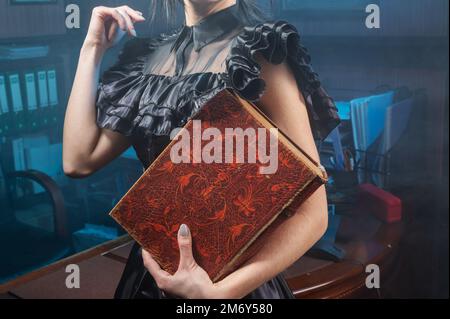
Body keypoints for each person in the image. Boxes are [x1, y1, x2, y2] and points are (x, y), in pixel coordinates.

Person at [63, 0, 341, 299]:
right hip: (150, 276)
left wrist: (218, 294)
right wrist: (92, 49)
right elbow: (79, 160)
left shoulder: (260, 52)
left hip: (232, 285)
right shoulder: (146, 58)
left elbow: (314, 215)